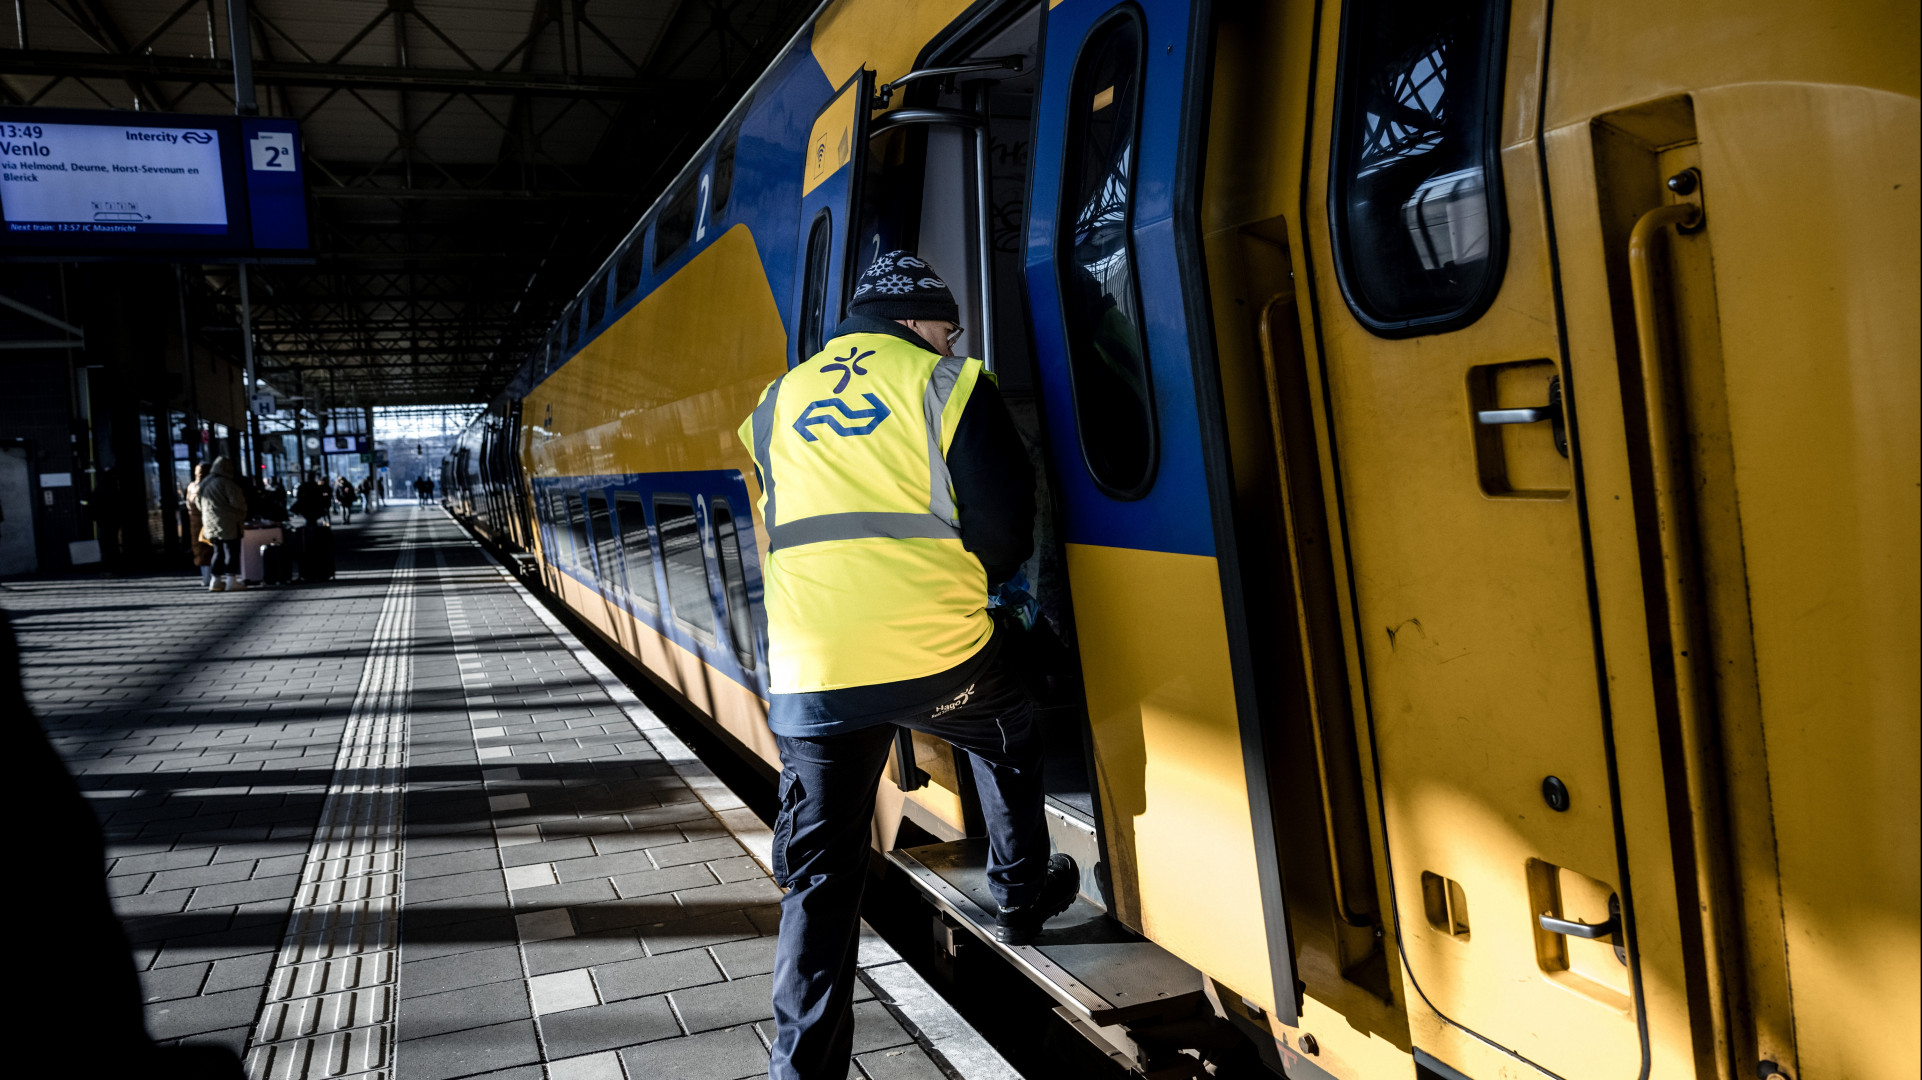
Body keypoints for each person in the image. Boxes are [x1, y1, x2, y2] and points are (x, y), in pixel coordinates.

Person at [738, 251, 1076, 1080]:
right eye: (946, 326)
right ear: (919, 319)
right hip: (937, 658)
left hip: (812, 672)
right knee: (1009, 729)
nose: (950, 339)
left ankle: (801, 1069)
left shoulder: (775, 402)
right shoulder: (950, 384)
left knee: (820, 873)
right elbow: (1004, 533)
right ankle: (1020, 893)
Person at [194, 457, 248, 592]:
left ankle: (215, 581)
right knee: (231, 551)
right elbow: (237, 503)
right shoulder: (227, 483)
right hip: (229, 522)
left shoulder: (205, 482)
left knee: (217, 552)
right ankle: (231, 581)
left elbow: (198, 503)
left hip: (210, 523)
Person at [184, 463, 214, 587]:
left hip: (195, 521)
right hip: (206, 519)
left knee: (200, 548)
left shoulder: (192, 486)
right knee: (209, 548)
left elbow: (188, 503)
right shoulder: (209, 484)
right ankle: (211, 576)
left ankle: (206, 577)